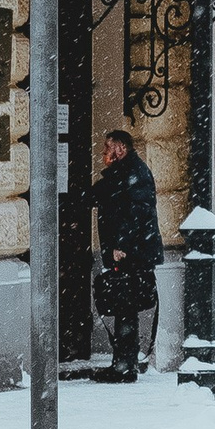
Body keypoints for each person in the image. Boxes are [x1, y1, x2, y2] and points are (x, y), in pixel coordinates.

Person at [91, 125, 163, 382]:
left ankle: (124, 366)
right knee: (124, 305)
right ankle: (123, 363)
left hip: (133, 253)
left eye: (108, 147)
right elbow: (99, 195)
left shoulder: (135, 173)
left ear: (120, 148)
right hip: (130, 250)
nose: (103, 152)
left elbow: (136, 213)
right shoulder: (122, 173)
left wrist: (122, 246)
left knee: (126, 306)